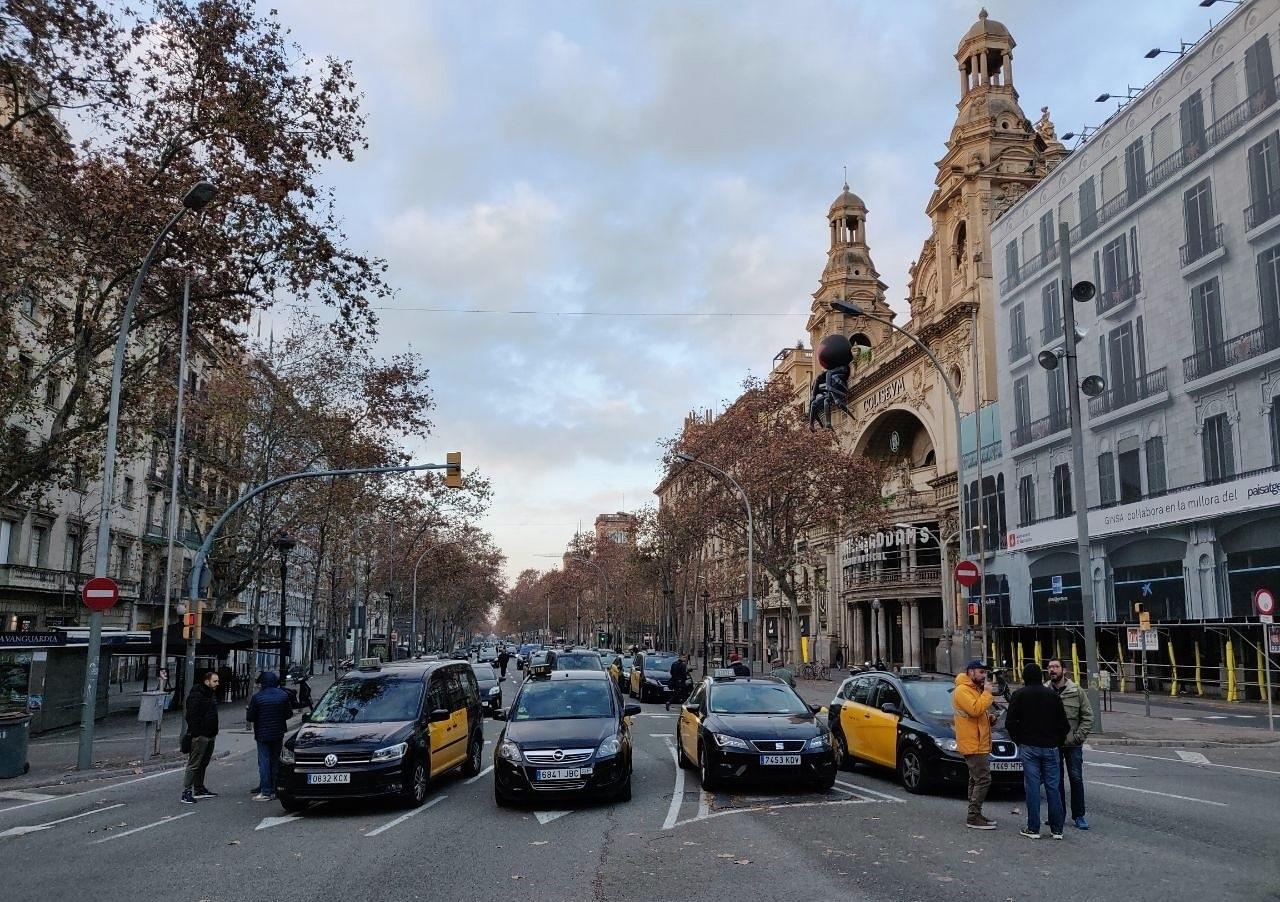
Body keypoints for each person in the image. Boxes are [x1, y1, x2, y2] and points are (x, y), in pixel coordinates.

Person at [1005, 662, 1071, 840]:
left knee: (1032, 787)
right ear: (1040, 677)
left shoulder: (1019, 695)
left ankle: (1033, 827)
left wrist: (1019, 740)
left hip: (1029, 746)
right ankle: (1057, 828)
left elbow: (1010, 723)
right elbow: (1064, 725)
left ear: (1025, 678)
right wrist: (1057, 741)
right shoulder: (1053, 696)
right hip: (1050, 747)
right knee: (1053, 788)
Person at [1048, 657, 1094, 830]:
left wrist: (1078, 737)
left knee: (1076, 779)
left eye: (1056, 667)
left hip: (1073, 744)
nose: (1052, 670)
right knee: (1055, 781)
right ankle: (1058, 815)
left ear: (1064, 670)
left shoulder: (1076, 690)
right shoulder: (1045, 690)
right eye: (1050, 667)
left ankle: (1079, 815)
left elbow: (1088, 716)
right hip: (1052, 744)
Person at [952, 659, 998, 830]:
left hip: (978, 741)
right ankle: (973, 816)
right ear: (970, 672)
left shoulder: (973, 689)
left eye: (985, 673)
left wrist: (990, 719)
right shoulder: (962, 690)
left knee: (975, 778)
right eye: (981, 672)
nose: (984, 676)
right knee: (983, 779)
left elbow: (977, 715)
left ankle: (975, 813)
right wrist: (987, 693)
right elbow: (975, 709)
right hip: (972, 742)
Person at [246, 671, 293, 801]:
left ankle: (265, 790)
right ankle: (275, 788)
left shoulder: (258, 697)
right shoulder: (283, 696)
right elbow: (288, 714)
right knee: (275, 760)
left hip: (262, 733)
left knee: (264, 762)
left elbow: (250, 717)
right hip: (278, 732)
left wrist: (249, 710)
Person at [181, 669, 220, 804]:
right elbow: (191, 715)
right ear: (207, 681)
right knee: (194, 764)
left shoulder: (210, 694)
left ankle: (199, 788)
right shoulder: (197, 695)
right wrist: (196, 732)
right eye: (215, 681)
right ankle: (186, 792)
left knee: (203, 763)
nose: (217, 684)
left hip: (210, 734)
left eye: (217, 681)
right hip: (201, 735)